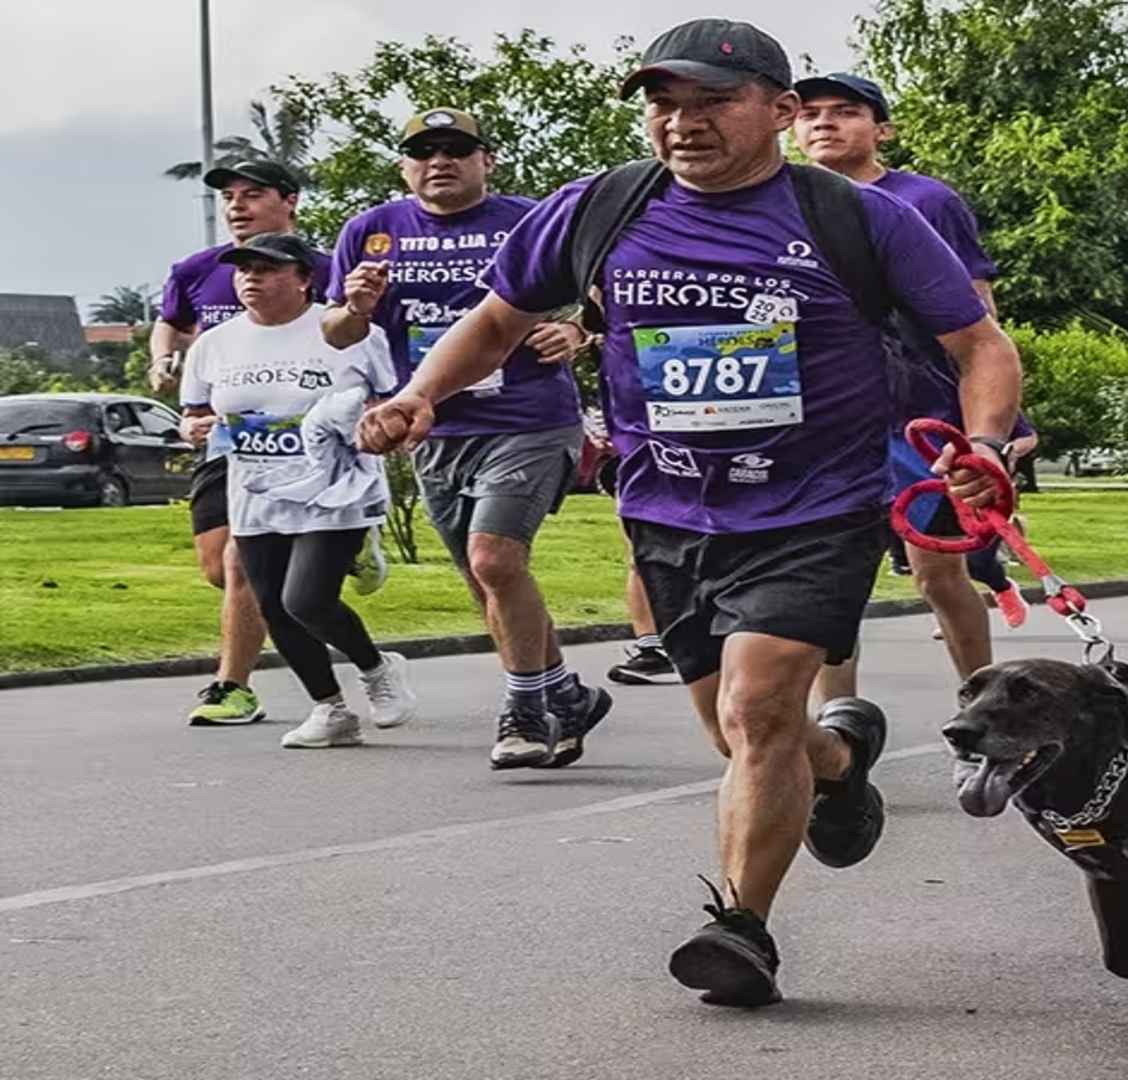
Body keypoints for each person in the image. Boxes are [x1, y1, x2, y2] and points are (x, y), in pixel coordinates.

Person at [355, 18, 1022, 1004]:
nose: (683, 122)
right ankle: (837, 766)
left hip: (817, 506)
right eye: (665, 103)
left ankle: (741, 930)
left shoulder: (857, 219)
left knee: (759, 712)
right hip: (669, 513)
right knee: (738, 733)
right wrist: (423, 394)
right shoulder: (603, 208)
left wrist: (988, 445)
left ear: (781, 112)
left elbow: (981, 344)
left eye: (714, 101)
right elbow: (496, 322)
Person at [322, 108, 611, 770]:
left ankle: (523, 711)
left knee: (495, 561)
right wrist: (357, 308)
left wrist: (575, 333)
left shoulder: (532, 219)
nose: (440, 161)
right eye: (424, 151)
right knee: (489, 584)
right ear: (404, 165)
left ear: (488, 160)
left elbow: (599, 298)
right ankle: (564, 693)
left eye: (457, 149)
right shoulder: (372, 233)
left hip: (529, 419)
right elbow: (336, 332)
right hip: (436, 427)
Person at [793, 71, 1009, 687]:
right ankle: (840, 729)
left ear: (881, 129)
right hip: (824, 420)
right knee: (835, 580)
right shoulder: (781, 203)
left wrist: (997, 424)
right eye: (810, 114)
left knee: (936, 573)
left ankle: (985, 702)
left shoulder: (927, 200)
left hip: (921, 418)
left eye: (845, 112)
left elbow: (980, 319)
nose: (825, 123)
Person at [177, 234, 417, 748]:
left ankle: (378, 671)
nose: (251, 279)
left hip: (336, 487)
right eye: (244, 270)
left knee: (305, 599)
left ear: (305, 279)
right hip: (258, 490)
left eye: (267, 269)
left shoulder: (346, 333)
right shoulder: (215, 344)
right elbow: (195, 414)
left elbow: (393, 396)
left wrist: (381, 424)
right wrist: (194, 429)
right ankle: (330, 709)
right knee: (272, 605)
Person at [150, 160, 334, 727]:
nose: (237, 206)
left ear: (290, 202)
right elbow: (173, 322)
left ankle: (232, 687)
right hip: (228, 439)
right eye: (230, 197)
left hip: (305, 442)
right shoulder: (198, 269)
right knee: (218, 566)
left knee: (240, 561)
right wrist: (163, 359)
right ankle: (330, 581)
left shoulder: (324, 268)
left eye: (252, 195)